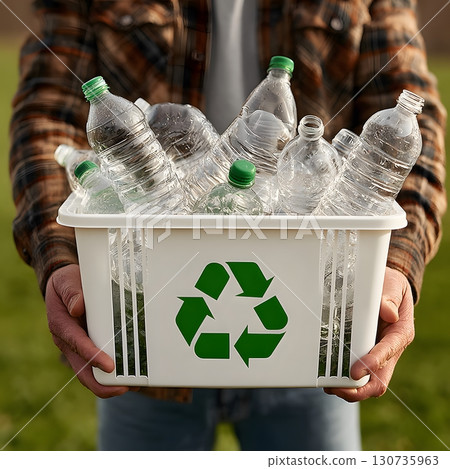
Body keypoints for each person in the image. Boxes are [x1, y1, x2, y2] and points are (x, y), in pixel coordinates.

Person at [9, 0, 446, 451]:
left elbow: (414, 113)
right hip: (144, 326)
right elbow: (47, 109)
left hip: (314, 327)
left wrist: (396, 267)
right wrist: (58, 256)